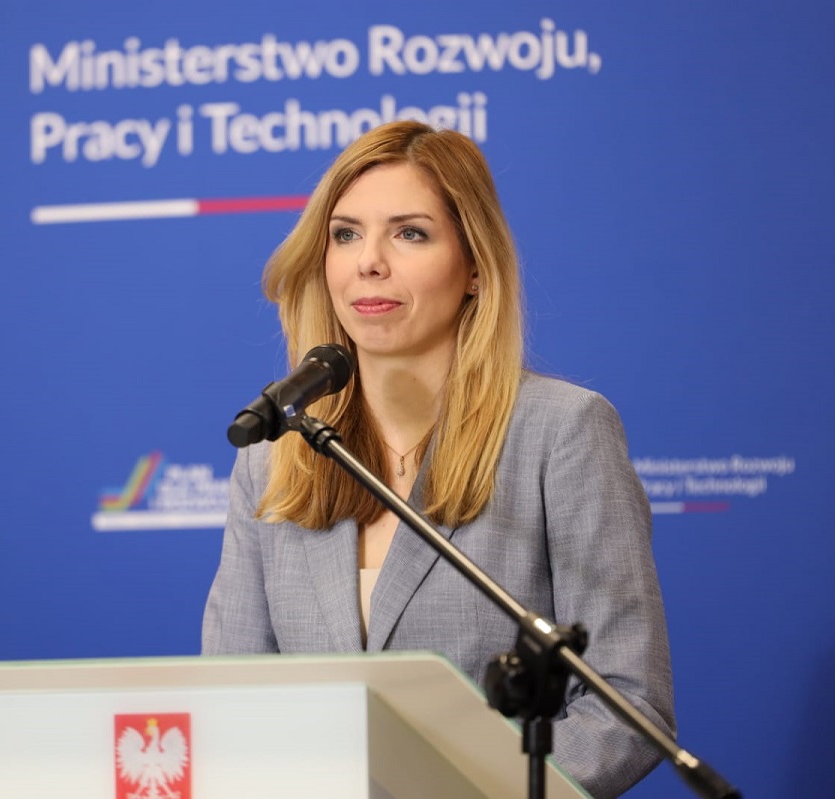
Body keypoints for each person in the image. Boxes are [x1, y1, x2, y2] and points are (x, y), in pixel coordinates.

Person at [201, 120, 674, 799]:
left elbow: (625, 703)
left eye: (410, 233)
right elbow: (233, 701)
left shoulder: (561, 431)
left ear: (474, 266)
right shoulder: (279, 453)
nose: (369, 262)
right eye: (346, 234)